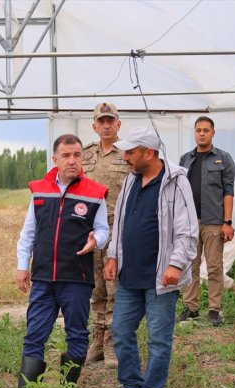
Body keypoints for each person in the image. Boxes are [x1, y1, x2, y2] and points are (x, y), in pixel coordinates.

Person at [1, 134, 109, 388]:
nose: (73, 160)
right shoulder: (40, 191)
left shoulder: (95, 193)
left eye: (77, 155)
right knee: (34, 335)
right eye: (66, 155)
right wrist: (22, 265)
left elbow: (104, 229)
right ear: (55, 159)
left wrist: (96, 240)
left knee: (76, 334)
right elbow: (29, 232)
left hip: (77, 277)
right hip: (44, 279)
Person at [102, 127, 197, 388]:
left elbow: (188, 231)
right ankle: (131, 385)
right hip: (130, 274)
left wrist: (176, 264)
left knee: (158, 338)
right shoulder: (131, 180)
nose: (125, 157)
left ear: (149, 153)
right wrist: (113, 256)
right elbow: (120, 222)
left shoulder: (175, 181)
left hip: (160, 277)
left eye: (130, 152)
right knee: (119, 330)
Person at [82, 102, 129, 369]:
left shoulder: (128, 153)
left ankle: (112, 341)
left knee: (115, 287)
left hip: (117, 229)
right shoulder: (86, 155)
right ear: (95, 126)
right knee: (95, 287)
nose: (107, 125)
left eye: (111, 120)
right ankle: (97, 339)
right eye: (102, 121)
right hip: (90, 232)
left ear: (118, 124)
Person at [178, 116, 235, 326]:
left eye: (206, 130)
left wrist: (227, 222)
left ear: (213, 133)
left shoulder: (223, 158)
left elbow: (228, 191)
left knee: (214, 266)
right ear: (195, 133)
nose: (201, 133)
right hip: (189, 222)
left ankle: (214, 309)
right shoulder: (185, 159)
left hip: (213, 221)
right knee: (190, 265)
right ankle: (191, 307)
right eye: (198, 130)